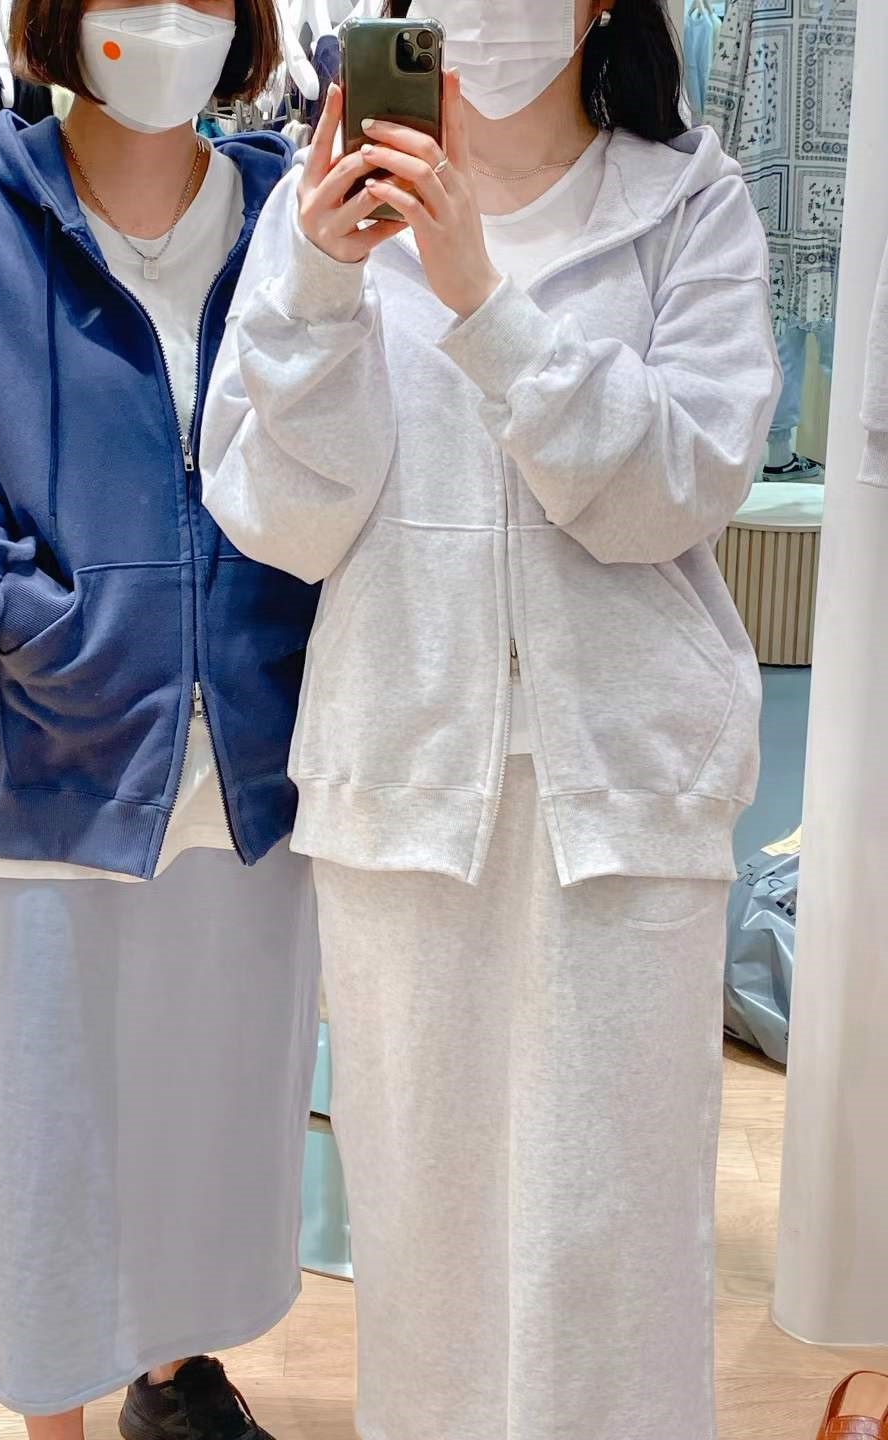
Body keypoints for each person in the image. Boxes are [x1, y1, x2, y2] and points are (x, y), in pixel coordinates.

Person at [200, 1, 782, 1437]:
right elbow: (283, 520)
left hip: (628, 788)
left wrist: (483, 304)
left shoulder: (690, 201)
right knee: (428, 1230)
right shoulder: (321, 212)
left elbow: (677, 488)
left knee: (615, 1233)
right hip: (403, 778)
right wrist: (320, 295)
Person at [0, 3, 320, 1439]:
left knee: (210, 1116)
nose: (168, 19)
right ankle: (51, 1417)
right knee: (44, 1143)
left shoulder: (292, 217)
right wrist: (42, 627)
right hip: (38, 765)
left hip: (251, 769)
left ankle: (175, 1381)